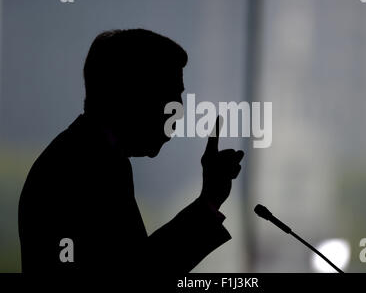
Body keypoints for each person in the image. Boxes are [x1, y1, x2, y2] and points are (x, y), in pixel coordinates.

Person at [18, 29, 244, 273]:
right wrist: (208, 201)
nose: (179, 110)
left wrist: (209, 199)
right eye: (170, 95)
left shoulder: (88, 157)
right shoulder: (83, 168)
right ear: (131, 93)